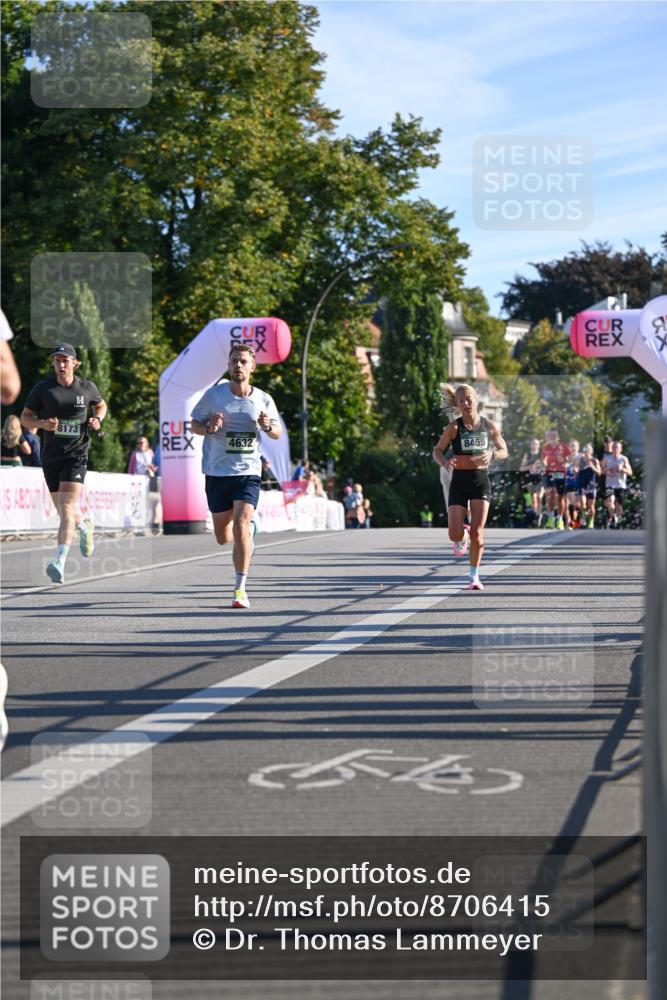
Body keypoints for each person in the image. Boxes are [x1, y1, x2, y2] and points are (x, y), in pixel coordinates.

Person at [190, 342, 281, 609]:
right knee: (223, 536)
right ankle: (250, 530)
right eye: (234, 361)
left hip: (248, 472)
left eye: (243, 361)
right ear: (229, 366)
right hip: (217, 472)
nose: (238, 365)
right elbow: (194, 424)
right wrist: (208, 427)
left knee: (241, 523)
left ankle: (240, 589)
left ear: (253, 367)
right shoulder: (214, 396)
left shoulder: (263, 399)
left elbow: (277, 432)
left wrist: (267, 427)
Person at [21, 343, 106, 583]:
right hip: (51, 456)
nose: (60, 365)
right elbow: (25, 418)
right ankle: (84, 527)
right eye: (57, 361)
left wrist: (97, 419)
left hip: (76, 454)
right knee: (63, 511)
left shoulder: (86, 387)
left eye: (65, 360)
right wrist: (42, 425)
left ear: (75, 363)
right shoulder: (43, 389)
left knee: (67, 507)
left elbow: (100, 405)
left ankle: (59, 561)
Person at [433, 382, 508, 590]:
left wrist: (492, 454)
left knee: (478, 532)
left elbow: (504, 450)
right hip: (459, 482)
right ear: (457, 405)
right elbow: (437, 451)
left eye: (468, 399)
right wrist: (445, 462)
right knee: (453, 534)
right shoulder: (454, 428)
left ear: (476, 399)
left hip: (479, 482)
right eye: (460, 401)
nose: (465, 403)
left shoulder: (490, 425)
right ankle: (461, 535)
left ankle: (474, 576)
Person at [541, 428, 570, 529]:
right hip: (549, 473)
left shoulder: (563, 446)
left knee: (560, 498)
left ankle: (560, 519)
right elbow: (543, 459)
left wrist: (564, 460)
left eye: (554, 435)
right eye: (550, 435)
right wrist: (544, 463)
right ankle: (551, 518)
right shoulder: (546, 447)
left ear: (557, 436)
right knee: (550, 495)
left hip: (561, 473)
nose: (552, 437)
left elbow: (570, 458)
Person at [602, 440, 633, 528]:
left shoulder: (623, 459)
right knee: (610, 501)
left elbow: (630, 472)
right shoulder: (607, 458)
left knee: (619, 505)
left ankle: (617, 518)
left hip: (620, 485)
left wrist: (622, 469)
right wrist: (606, 471)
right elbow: (601, 470)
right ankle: (612, 517)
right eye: (613, 447)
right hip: (610, 484)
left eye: (617, 448)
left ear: (620, 449)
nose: (615, 449)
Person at [519, 438, 544, 526]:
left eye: (536, 443)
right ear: (530, 445)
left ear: (539, 445)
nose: (534, 445)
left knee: (539, 497)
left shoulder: (542, 454)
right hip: (530, 479)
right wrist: (531, 466)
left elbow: (547, 465)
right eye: (533, 443)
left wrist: (541, 466)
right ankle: (536, 515)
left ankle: (539, 514)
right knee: (534, 498)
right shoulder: (527, 455)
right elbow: (521, 468)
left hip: (540, 479)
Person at [577, 444, 601, 529]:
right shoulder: (580, 460)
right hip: (582, 484)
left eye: (588, 451)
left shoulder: (595, 460)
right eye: (585, 451)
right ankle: (583, 516)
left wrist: (593, 467)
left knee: (591, 506)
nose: (586, 452)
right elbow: (576, 471)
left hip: (591, 485)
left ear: (591, 451)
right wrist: (577, 469)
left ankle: (591, 521)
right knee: (582, 504)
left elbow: (599, 473)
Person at [565, 438, 583, 529]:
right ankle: (571, 521)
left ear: (578, 447)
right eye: (571, 446)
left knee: (577, 503)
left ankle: (578, 520)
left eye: (574, 446)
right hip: (569, 482)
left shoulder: (581, 457)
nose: (573, 448)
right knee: (569, 501)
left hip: (579, 482)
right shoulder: (566, 458)